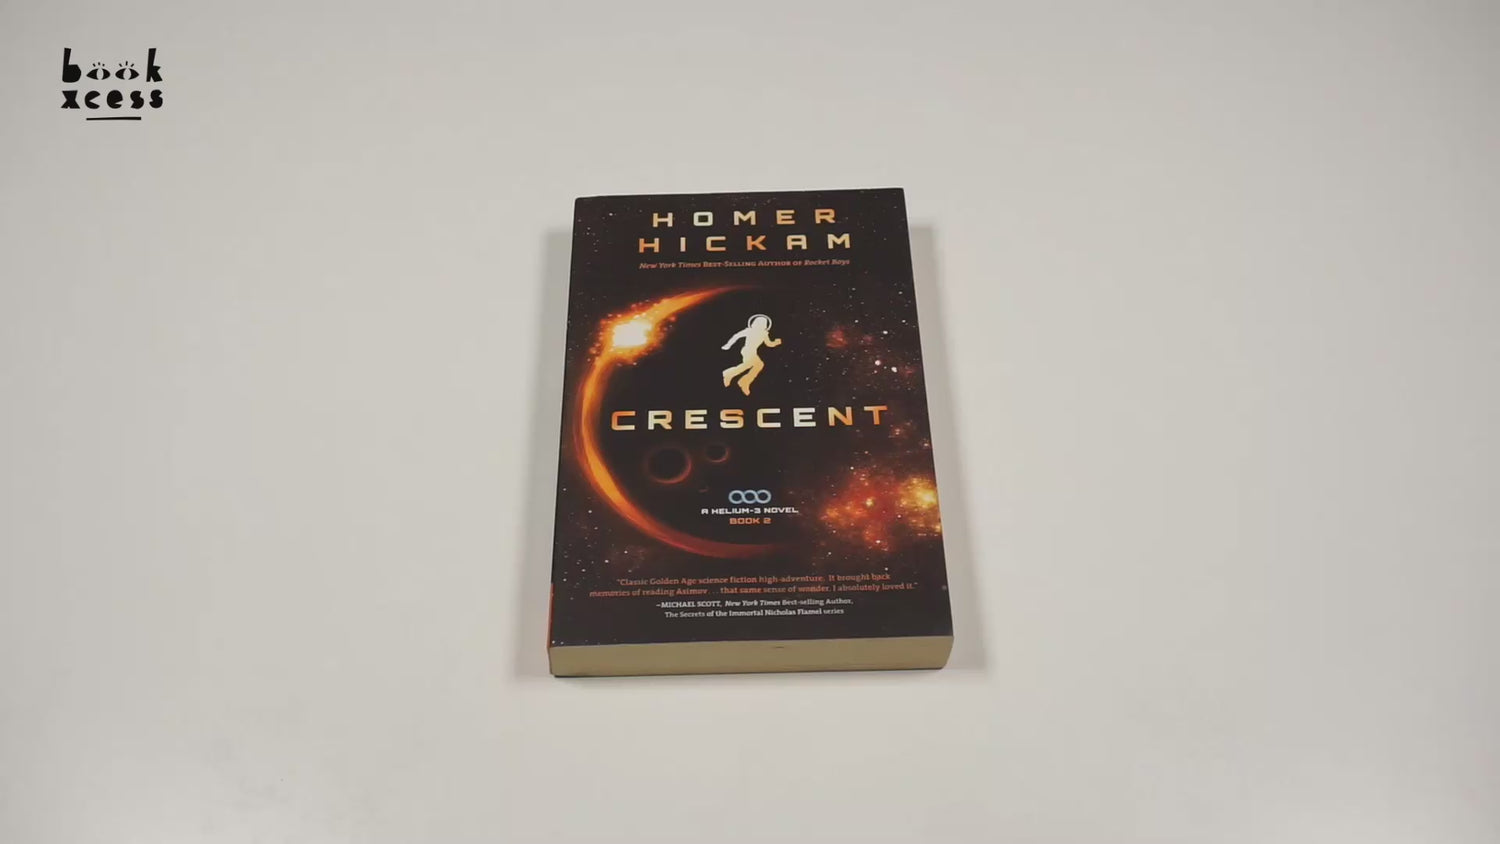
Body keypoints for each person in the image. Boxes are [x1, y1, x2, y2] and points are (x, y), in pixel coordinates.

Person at [721, 314, 781, 396]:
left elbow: (769, 344)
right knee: (754, 364)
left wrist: (776, 343)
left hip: (753, 352)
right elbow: (736, 336)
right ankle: (733, 376)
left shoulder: (764, 334)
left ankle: (742, 380)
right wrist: (728, 345)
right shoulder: (749, 331)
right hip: (747, 351)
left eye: (762, 324)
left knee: (757, 365)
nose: (760, 325)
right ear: (755, 323)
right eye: (758, 323)